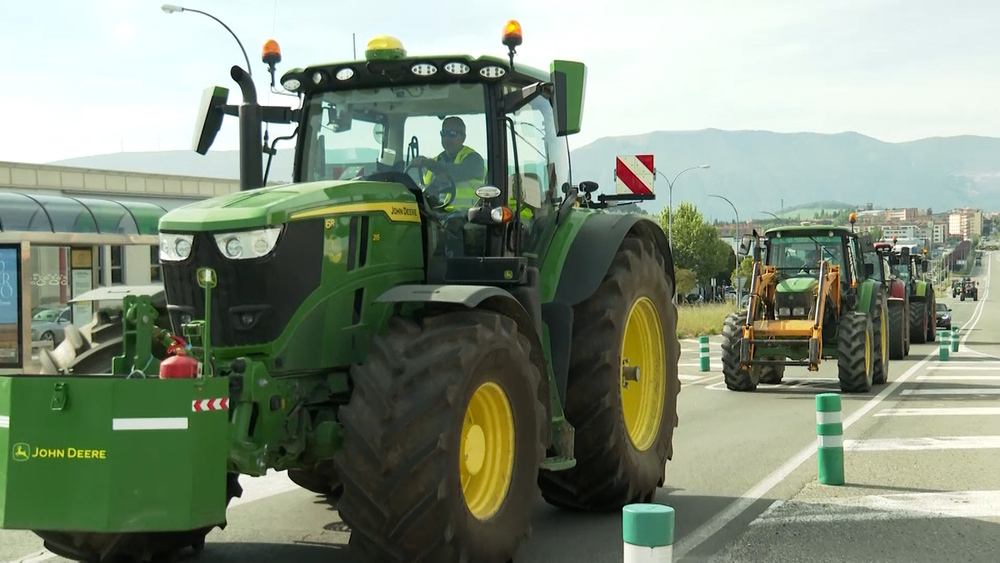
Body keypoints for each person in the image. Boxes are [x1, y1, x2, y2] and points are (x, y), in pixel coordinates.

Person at [410, 116, 487, 210]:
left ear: (463, 137)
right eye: (443, 133)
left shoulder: (474, 160)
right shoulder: (436, 161)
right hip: (435, 216)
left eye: (452, 134)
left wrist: (428, 163)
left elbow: (455, 172)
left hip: (467, 218)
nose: (446, 138)